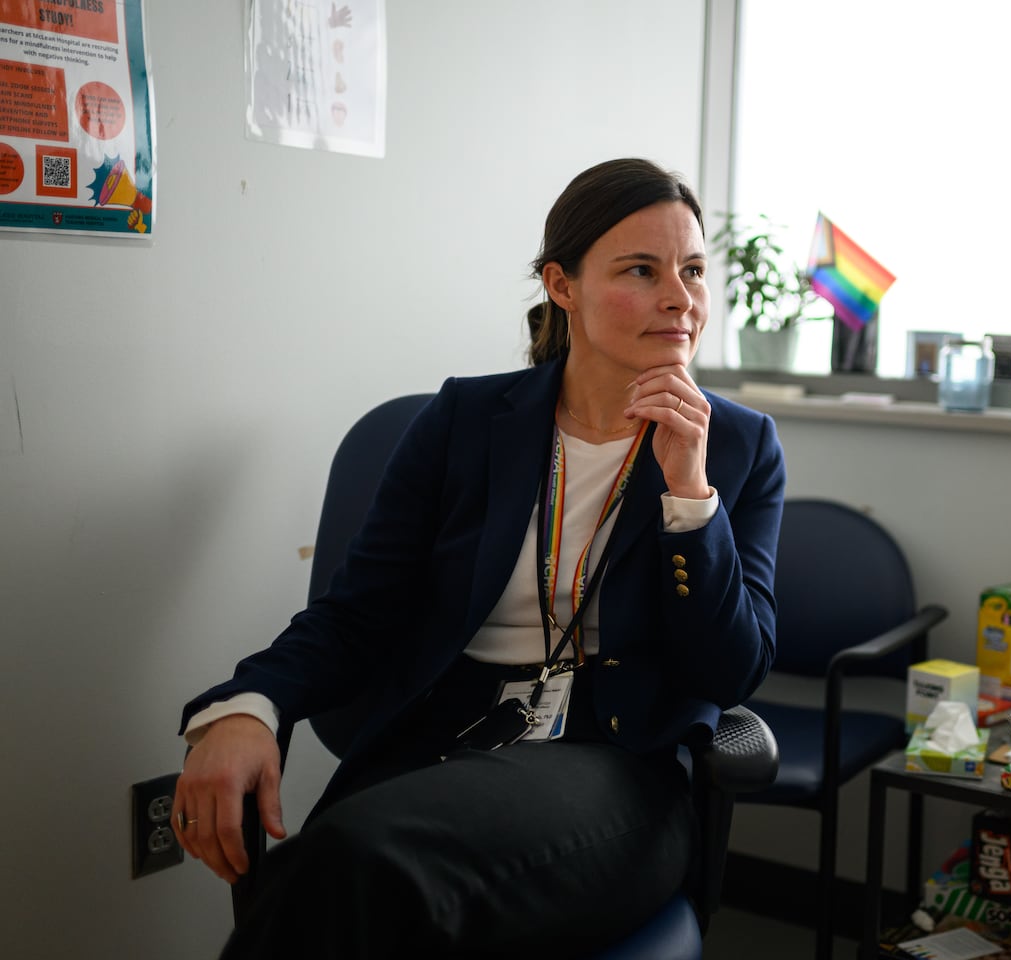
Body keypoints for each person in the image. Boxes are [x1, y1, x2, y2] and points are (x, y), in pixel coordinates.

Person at [171, 157, 786, 958]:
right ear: (561, 286)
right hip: (442, 740)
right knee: (338, 870)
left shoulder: (737, 446)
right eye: (642, 269)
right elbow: (360, 612)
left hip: (611, 767)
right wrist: (247, 707)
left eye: (694, 270)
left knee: (357, 868)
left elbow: (731, 671)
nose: (680, 298)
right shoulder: (466, 418)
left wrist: (689, 497)